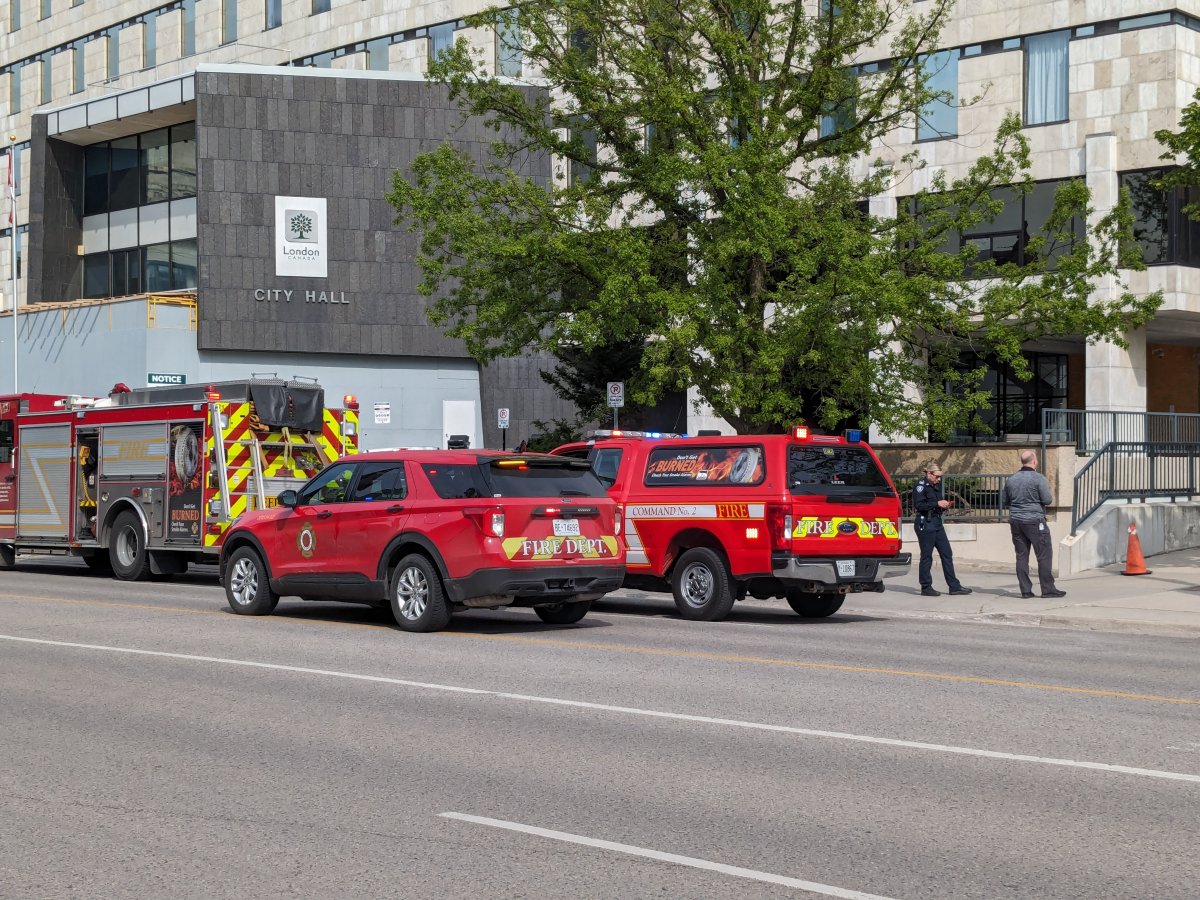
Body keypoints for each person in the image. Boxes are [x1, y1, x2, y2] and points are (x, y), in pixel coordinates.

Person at [1002, 450, 1066, 598]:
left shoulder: (1011, 479)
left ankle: (1025, 590)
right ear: (1034, 461)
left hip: (1016, 521)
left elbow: (1005, 501)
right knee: (1043, 555)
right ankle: (1048, 589)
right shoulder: (1039, 478)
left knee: (1021, 556)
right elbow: (1047, 500)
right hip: (1035, 521)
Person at [913, 462, 972, 597]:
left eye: (940, 477)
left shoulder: (935, 486)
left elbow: (936, 503)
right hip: (924, 522)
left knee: (947, 553)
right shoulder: (920, 487)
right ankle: (926, 587)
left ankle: (954, 586)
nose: (939, 479)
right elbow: (919, 505)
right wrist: (936, 503)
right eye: (937, 476)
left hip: (936, 522)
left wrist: (943, 505)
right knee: (927, 555)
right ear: (929, 473)